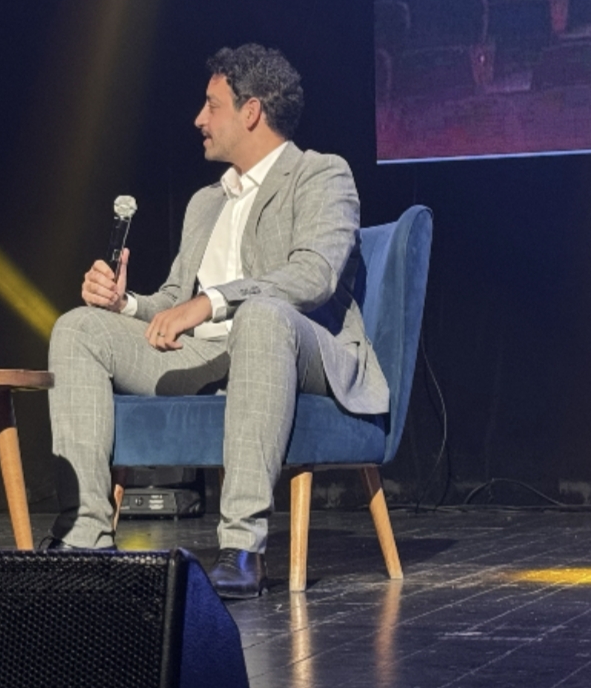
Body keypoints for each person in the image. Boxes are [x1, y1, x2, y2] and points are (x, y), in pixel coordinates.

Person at [45, 44, 389, 598]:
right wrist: (125, 304)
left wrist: (214, 301)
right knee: (77, 326)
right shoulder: (206, 202)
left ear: (251, 111)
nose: (198, 119)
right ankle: (86, 535)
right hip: (209, 354)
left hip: (300, 347)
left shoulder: (321, 173)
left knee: (261, 317)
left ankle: (242, 548)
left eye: (212, 105)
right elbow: (175, 299)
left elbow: (314, 275)